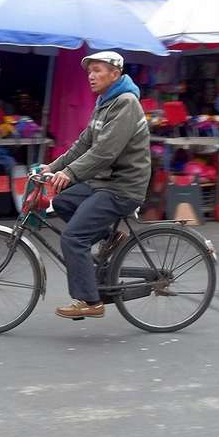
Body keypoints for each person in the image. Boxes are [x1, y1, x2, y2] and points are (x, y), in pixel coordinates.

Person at [39, 51, 151, 320]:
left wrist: (69, 173)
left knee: (73, 238)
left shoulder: (126, 103)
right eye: (89, 71)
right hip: (104, 182)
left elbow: (104, 153)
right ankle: (110, 237)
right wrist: (52, 167)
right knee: (63, 202)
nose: (91, 76)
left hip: (123, 187)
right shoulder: (105, 102)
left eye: (97, 70)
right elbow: (83, 144)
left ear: (115, 74)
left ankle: (90, 301)